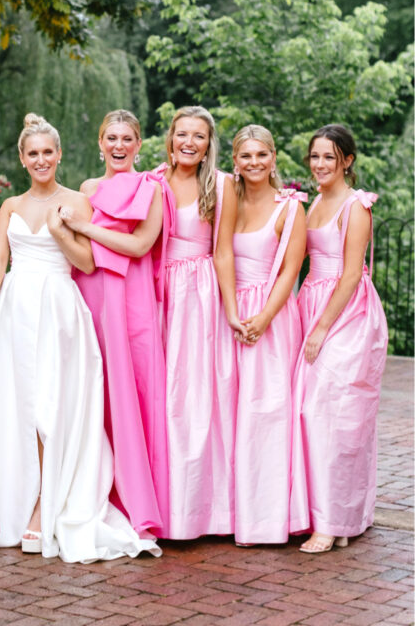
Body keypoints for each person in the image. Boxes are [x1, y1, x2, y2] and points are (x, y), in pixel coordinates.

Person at [0, 113, 160, 563]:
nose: (41, 160)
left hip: (59, 308)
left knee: (51, 404)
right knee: (18, 405)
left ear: (60, 155)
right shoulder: (11, 207)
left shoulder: (78, 201)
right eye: (32, 153)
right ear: (22, 158)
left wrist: (61, 230)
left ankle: (47, 503)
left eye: (47, 152)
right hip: (15, 310)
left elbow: (88, 263)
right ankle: (21, 498)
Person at [61, 109, 168, 535]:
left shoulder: (151, 188)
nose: (119, 146)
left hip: (134, 296)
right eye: (112, 138)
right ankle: (97, 491)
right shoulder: (87, 188)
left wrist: (86, 226)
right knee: (95, 389)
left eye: (127, 139)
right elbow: (74, 245)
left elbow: (141, 246)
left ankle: (138, 496)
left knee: (136, 390)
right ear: (100, 142)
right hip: (92, 290)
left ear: (139, 145)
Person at [290, 125, 387, 554]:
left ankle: (334, 522)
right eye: (315, 157)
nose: (320, 165)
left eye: (329, 157)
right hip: (311, 301)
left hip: (346, 312)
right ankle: (328, 516)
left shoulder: (356, 207)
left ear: (346, 160)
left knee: (334, 414)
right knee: (307, 413)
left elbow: (351, 274)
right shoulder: (309, 206)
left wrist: (323, 328)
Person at [215, 125, 307, 545]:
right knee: (229, 414)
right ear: (235, 160)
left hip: (271, 317)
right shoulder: (227, 199)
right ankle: (233, 513)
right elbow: (222, 254)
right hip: (231, 315)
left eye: (261, 155)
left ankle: (267, 518)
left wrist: (264, 317)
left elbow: (291, 269)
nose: (253, 163)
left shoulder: (290, 209)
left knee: (267, 414)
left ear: (274, 157)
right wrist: (234, 312)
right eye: (245, 156)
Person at [158, 105, 237, 539]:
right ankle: (165, 505)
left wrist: (228, 308)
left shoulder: (222, 186)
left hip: (199, 293)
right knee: (163, 395)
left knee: (197, 396)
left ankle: (203, 510)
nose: (189, 142)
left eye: (199, 136)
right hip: (159, 293)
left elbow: (223, 251)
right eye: (182, 134)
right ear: (170, 138)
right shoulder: (153, 182)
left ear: (209, 144)